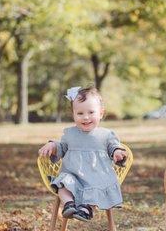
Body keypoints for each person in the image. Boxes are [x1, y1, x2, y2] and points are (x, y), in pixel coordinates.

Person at [38, 85, 127, 222]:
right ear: (73, 114)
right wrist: (53, 145)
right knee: (61, 182)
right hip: (73, 176)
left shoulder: (106, 135)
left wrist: (117, 152)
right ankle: (69, 204)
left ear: (101, 113)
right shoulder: (70, 133)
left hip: (96, 177)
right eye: (80, 114)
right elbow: (61, 147)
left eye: (91, 112)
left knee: (94, 189)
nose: (85, 117)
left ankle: (86, 209)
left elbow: (113, 147)